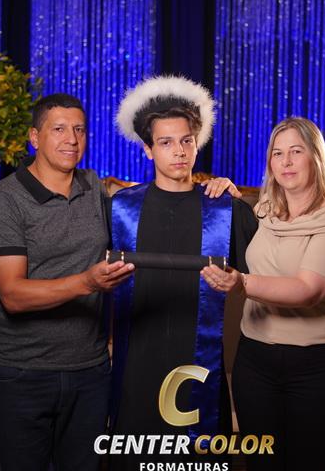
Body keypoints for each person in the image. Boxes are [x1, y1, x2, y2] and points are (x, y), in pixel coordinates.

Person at [108, 76, 258, 470]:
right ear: (148, 149)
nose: (179, 151)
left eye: (186, 140)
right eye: (166, 142)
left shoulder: (225, 209)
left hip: (200, 362)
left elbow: (269, 268)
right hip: (138, 358)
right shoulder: (120, 208)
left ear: (197, 143)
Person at [201, 116, 325, 471]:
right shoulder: (265, 212)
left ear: (315, 158)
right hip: (254, 363)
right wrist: (228, 193)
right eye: (277, 153)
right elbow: (250, 238)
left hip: (318, 370)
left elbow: (308, 290)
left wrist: (242, 284)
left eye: (296, 151)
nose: (286, 162)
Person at [0, 93, 134, 471]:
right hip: (22, 374)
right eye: (60, 129)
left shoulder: (94, 187)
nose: (72, 139)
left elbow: (154, 199)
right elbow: (13, 295)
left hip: (90, 372)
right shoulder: (5, 199)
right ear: (35, 138)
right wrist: (87, 282)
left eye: (79, 130)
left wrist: (211, 189)